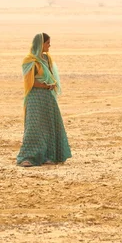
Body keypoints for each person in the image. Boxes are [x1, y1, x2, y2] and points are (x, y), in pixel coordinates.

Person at [16, 33, 72, 167]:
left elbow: (51, 75)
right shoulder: (30, 61)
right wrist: (45, 85)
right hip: (35, 98)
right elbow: (30, 82)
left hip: (48, 98)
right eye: (47, 43)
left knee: (49, 127)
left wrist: (51, 85)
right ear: (40, 44)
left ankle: (49, 156)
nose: (49, 46)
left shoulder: (47, 59)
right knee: (34, 127)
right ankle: (28, 157)